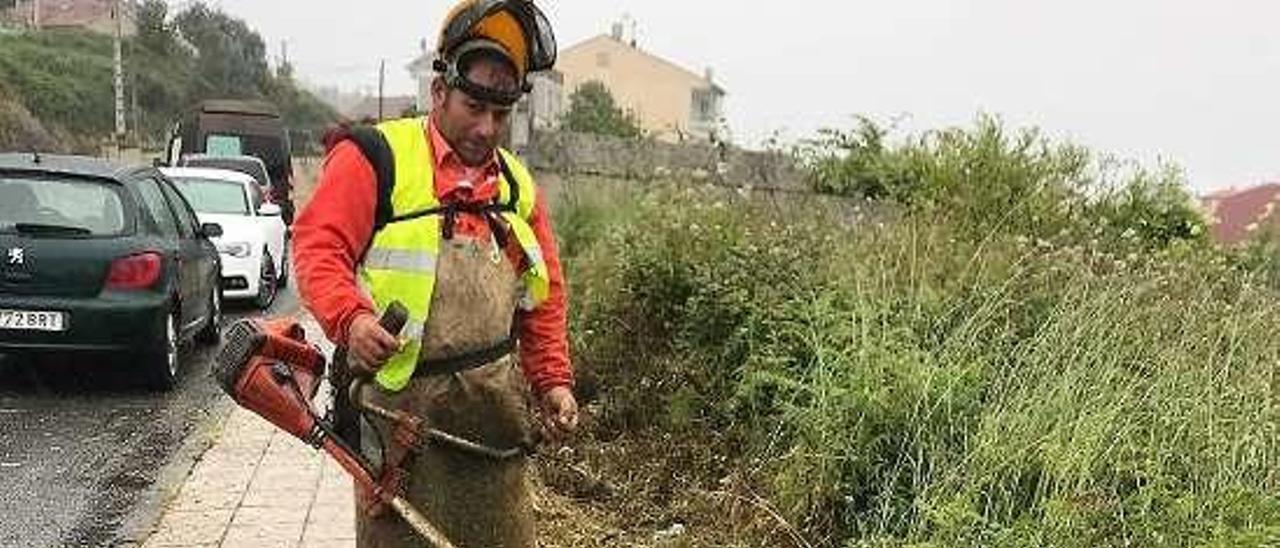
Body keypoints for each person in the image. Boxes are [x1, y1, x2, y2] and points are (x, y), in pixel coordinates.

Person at [291, 1, 574, 546]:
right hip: (398, 422)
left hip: (491, 426)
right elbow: (319, 246)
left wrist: (553, 382)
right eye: (474, 107)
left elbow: (543, 299)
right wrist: (351, 320)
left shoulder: (518, 190)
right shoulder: (376, 157)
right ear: (439, 91)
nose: (487, 128)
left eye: (501, 115)